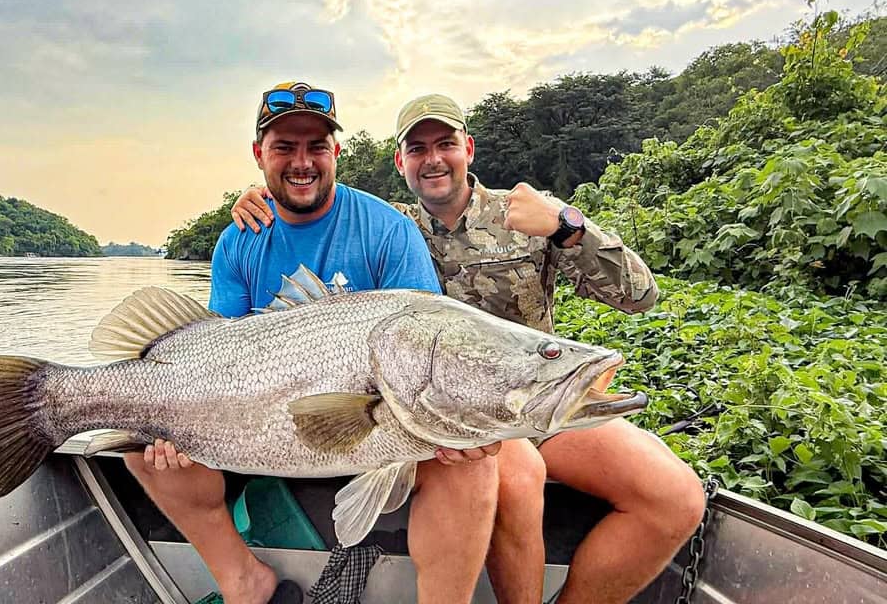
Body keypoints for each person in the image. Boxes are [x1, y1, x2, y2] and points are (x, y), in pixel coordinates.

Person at [231, 94, 707, 604]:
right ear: (400, 162)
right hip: (450, 417)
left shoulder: (524, 213)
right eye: (417, 149)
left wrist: (568, 226)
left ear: (469, 149)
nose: (433, 159)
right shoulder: (391, 226)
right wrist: (260, 197)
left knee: (676, 498)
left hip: (538, 397)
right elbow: (313, 204)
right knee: (518, 478)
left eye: (446, 144)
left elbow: (639, 297)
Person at [125, 82, 517, 604]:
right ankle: (243, 580)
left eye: (316, 147)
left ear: (337, 152)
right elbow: (218, 349)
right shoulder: (239, 237)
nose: (302, 162)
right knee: (139, 448)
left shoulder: (388, 229)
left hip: (381, 434)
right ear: (259, 154)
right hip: (259, 430)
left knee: (472, 463)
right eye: (284, 147)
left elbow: (423, 344)